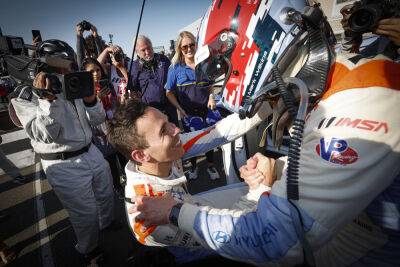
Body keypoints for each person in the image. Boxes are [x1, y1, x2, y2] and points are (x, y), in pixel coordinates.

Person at [131, 1, 400, 266]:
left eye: (224, 62)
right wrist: (280, 167)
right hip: (350, 229)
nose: (223, 75)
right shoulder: (327, 78)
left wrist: (176, 213)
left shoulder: (362, 99)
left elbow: (278, 242)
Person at [106, 99, 271, 263]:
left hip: (187, 205)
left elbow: (216, 133)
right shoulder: (148, 216)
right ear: (141, 155)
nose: (176, 129)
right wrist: (260, 189)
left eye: (168, 121)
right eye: (164, 131)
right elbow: (230, 234)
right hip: (187, 249)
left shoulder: (162, 151)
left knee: (258, 194)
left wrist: (270, 104)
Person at [10, 40, 114, 264]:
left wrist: (90, 100)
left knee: (106, 194)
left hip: (91, 152)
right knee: (85, 214)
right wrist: (48, 100)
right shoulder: (26, 93)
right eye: (63, 66)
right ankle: (89, 249)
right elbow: (45, 134)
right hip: (63, 163)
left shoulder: (74, 82)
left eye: (70, 65)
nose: (68, 70)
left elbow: (97, 119)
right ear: (47, 65)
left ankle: (107, 224)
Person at [165, 31, 221, 180]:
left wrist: (211, 97)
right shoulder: (175, 68)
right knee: (192, 141)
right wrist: (180, 109)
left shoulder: (204, 62)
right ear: (179, 49)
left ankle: (210, 165)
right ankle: (194, 168)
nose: (189, 49)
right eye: (185, 47)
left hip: (206, 109)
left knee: (209, 138)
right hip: (187, 113)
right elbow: (168, 92)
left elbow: (210, 84)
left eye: (191, 45)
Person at [82, 57, 124, 196]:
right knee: (110, 161)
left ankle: (129, 180)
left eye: (98, 69)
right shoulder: (85, 91)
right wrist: (97, 98)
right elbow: (87, 114)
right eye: (91, 71)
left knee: (122, 155)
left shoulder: (107, 84)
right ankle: (117, 186)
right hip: (100, 131)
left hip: (115, 126)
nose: (96, 73)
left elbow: (115, 103)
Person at [130, 35, 178, 126]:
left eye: (149, 48)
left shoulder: (164, 59)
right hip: (151, 114)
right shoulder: (133, 67)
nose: (147, 52)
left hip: (170, 110)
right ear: (136, 51)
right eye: (143, 50)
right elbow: (133, 91)